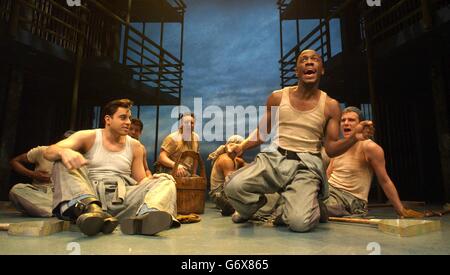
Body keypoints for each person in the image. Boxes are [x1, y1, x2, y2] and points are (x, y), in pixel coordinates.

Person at [225, 49, 374, 232]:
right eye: (304, 60)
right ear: (297, 71)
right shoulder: (277, 97)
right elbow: (262, 134)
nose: (309, 62)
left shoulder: (330, 106)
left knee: (299, 224)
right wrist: (241, 146)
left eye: (315, 60)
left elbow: (331, 149)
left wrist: (354, 138)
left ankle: (309, 203)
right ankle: (249, 209)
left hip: (306, 166)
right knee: (233, 187)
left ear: (322, 70)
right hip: (275, 159)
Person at [44, 99, 178, 237]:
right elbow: (49, 151)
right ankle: (92, 211)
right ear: (108, 119)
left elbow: (141, 180)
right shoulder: (88, 136)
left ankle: (146, 218)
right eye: (123, 117)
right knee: (61, 160)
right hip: (88, 194)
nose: (128, 122)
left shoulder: (135, 146)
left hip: (121, 198)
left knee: (166, 179)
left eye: (129, 118)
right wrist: (63, 152)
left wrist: (153, 182)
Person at [325, 107, 423, 218]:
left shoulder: (370, 147)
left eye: (351, 120)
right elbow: (328, 175)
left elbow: (384, 180)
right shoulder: (339, 146)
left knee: (319, 207)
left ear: (360, 125)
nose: (346, 123)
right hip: (330, 192)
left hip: (351, 199)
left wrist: (400, 209)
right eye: (343, 120)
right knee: (306, 198)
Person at [8, 130, 74, 217]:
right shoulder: (43, 151)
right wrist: (32, 174)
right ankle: (60, 211)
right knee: (16, 190)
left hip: (63, 196)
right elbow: (14, 161)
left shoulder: (79, 158)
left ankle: (51, 210)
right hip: (40, 194)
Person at [208, 135, 246, 216]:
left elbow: (251, 169)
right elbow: (231, 184)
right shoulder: (226, 160)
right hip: (220, 195)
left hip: (224, 192)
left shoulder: (235, 159)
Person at [157, 113, 200, 177]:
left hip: (187, 173)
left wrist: (193, 173)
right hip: (171, 170)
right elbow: (161, 157)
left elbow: (196, 157)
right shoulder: (173, 138)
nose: (189, 125)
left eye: (192, 123)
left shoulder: (196, 137)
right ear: (181, 124)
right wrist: (176, 165)